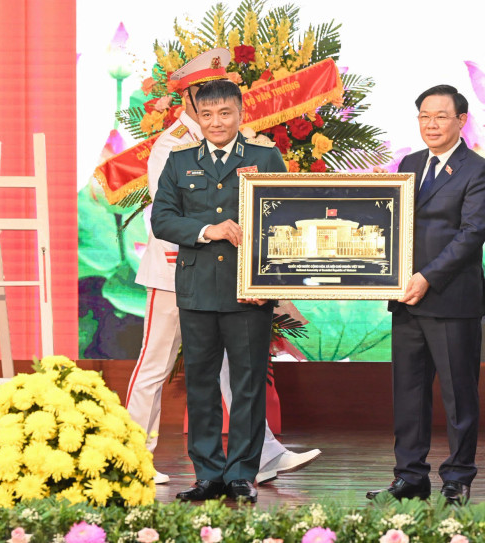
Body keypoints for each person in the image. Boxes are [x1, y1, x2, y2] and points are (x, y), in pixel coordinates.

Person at [126, 48, 319, 489]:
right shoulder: (173, 146)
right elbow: (166, 213)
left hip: (238, 278)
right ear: (190, 99)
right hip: (177, 272)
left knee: (241, 373)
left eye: (222, 99)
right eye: (202, 98)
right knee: (159, 365)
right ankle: (135, 453)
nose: (211, 109)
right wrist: (211, 230)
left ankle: (260, 457)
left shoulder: (253, 143)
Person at [151, 77, 291, 503]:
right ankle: (207, 473)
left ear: (240, 114)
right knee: (201, 384)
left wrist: (271, 280)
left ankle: (242, 474)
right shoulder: (179, 161)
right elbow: (163, 221)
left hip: (248, 289)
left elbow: (285, 218)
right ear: (197, 116)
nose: (216, 122)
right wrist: (209, 229)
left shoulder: (266, 157)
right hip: (196, 289)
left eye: (225, 113)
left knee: (248, 384)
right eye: (207, 114)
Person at [366, 85, 485, 505]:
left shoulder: (479, 171)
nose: (431, 124)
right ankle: (409, 476)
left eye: (441, 116)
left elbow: (470, 235)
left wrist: (426, 277)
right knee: (408, 393)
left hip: (451, 299)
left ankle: (458, 477)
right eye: (424, 116)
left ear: (461, 121)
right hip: (406, 299)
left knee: (459, 395)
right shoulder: (409, 163)